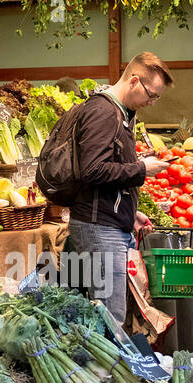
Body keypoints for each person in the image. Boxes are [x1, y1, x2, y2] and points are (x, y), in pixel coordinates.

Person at [64, 51, 172, 324]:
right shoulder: (103, 112)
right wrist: (142, 168)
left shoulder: (120, 112)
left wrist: (129, 211)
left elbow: (106, 172)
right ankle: (107, 368)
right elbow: (93, 170)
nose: (152, 101)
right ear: (134, 81)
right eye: (151, 94)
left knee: (105, 314)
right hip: (99, 227)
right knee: (110, 318)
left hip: (107, 222)